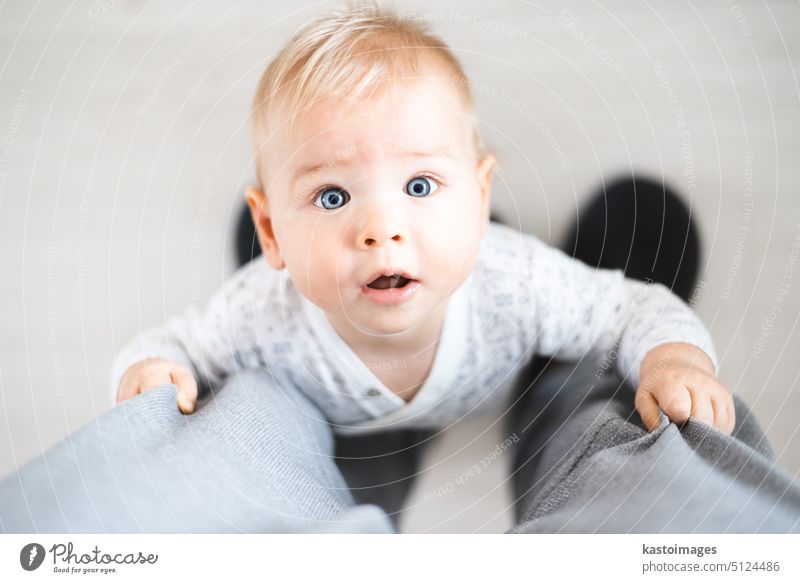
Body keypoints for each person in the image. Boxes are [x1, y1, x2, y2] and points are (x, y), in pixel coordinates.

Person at [4, 1, 798, 534]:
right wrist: (152, 376)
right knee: (270, 424)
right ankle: (380, 407)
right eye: (334, 196)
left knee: (594, 349)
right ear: (268, 231)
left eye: (421, 186)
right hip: (339, 413)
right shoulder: (262, 310)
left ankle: (561, 364)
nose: (382, 228)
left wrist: (672, 355)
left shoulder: (511, 279)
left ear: (482, 197)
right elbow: (168, 347)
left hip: (505, 356)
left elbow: (633, 308)